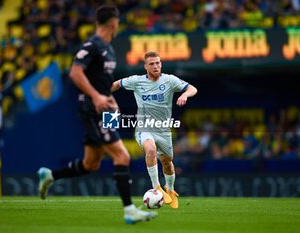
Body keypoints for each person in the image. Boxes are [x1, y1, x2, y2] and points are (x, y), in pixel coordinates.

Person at [37, 5, 157, 224]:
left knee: (91, 164)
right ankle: (130, 210)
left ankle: (50, 176)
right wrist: (95, 96)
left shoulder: (109, 49)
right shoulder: (92, 44)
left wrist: (109, 99)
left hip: (105, 108)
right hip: (93, 109)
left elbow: (100, 83)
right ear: (113, 23)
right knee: (122, 156)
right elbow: (75, 72)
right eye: (118, 22)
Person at [111, 51, 198, 209]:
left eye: (158, 63)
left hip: (164, 130)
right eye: (151, 64)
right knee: (150, 150)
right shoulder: (136, 81)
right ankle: (157, 187)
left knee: (167, 162)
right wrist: (102, 94)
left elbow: (193, 88)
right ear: (145, 66)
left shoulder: (170, 80)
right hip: (144, 127)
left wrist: (185, 95)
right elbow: (117, 84)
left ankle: (170, 190)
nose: (156, 66)